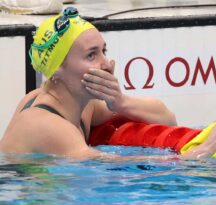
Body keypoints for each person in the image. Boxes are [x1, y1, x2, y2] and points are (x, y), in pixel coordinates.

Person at [0, 7, 178, 160]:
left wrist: (120, 102)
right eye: (91, 55)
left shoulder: (83, 105)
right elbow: (105, 165)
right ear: (56, 69)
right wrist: (189, 158)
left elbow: (168, 119)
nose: (106, 64)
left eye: (104, 51)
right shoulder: (44, 123)